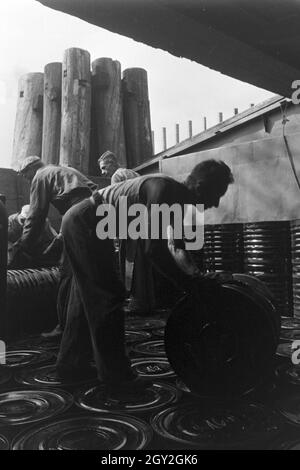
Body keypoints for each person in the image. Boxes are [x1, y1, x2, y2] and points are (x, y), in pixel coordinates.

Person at [56, 159, 234, 394]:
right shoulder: (165, 190)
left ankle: (71, 368)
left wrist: (197, 277)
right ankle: (118, 377)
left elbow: (178, 248)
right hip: (85, 222)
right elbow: (153, 249)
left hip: (86, 223)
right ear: (201, 187)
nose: (216, 203)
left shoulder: (177, 200)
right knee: (107, 298)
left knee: (84, 299)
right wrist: (188, 285)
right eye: (217, 195)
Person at [14, 156, 98, 336]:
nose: (25, 178)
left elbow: (36, 215)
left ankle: (64, 326)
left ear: (31, 168)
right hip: (99, 214)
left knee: (68, 273)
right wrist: (61, 236)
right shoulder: (65, 170)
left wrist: (23, 246)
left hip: (78, 215)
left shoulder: (40, 175)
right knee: (92, 270)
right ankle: (95, 323)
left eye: (24, 174)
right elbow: (90, 195)